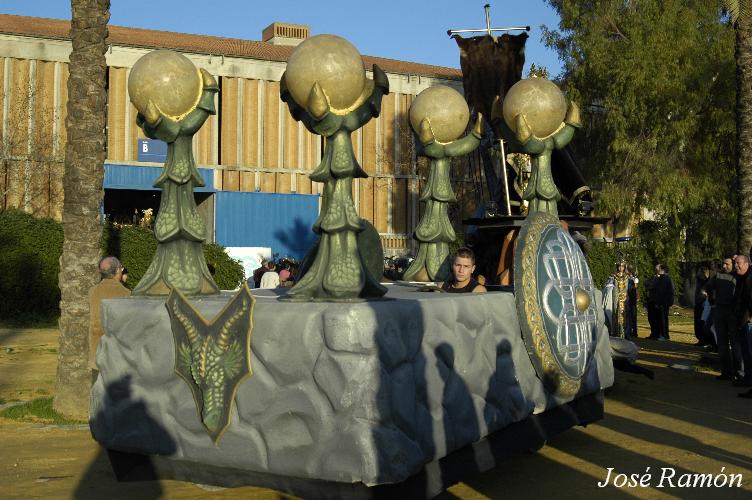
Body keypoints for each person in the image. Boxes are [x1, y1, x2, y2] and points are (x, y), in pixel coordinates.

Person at [89, 256, 131, 381]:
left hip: (96, 350)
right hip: (116, 353)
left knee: (97, 387)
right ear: (118, 270)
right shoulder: (126, 293)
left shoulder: (92, 291)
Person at [704, 257, 738, 380]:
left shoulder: (738, 276)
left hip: (733, 312)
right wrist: (712, 298)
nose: (724, 266)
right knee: (722, 343)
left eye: (727, 264)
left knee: (735, 343)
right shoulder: (718, 276)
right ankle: (727, 372)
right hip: (720, 310)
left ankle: (738, 372)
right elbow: (708, 287)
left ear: (733, 264)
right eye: (723, 264)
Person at [732, 254, 752, 392]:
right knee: (745, 351)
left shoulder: (750, 278)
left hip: (748, 320)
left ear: (746, 264)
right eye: (735, 263)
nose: (736, 265)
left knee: (749, 352)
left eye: (738, 263)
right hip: (741, 319)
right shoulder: (741, 278)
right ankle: (747, 378)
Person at [603, 260, 637, 339]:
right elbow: (611, 286)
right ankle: (616, 332)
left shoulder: (627, 276)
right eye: (619, 266)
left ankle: (626, 333)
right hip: (616, 298)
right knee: (615, 313)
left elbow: (628, 288)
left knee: (626, 315)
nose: (620, 268)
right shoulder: (614, 276)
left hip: (625, 298)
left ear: (624, 267)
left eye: (622, 266)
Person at [646, 263, 674, 341]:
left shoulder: (666, 278)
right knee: (658, 319)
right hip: (657, 301)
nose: (657, 271)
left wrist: (660, 302)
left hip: (663, 302)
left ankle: (665, 335)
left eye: (658, 269)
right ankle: (658, 334)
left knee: (663, 319)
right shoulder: (659, 278)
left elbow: (662, 291)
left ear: (662, 270)